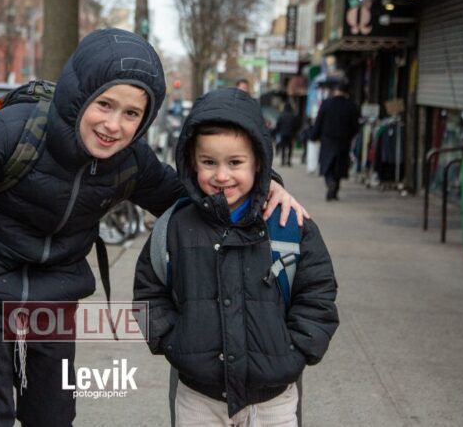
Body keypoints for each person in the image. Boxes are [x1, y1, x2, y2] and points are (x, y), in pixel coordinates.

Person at [0, 29, 308, 427]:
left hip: (53, 303)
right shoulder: (8, 134)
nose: (113, 125)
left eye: (131, 114)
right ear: (80, 95)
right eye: (104, 104)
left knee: (53, 418)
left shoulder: (130, 160)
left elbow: (191, 196)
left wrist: (264, 185)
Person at [134, 88, 338, 427]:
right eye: (209, 162)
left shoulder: (288, 224)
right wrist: (173, 341)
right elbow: (149, 291)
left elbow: (318, 294)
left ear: (259, 162)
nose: (221, 175)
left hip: (274, 398)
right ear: (191, 161)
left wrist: (296, 350)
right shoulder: (174, 227)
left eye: (235, 163)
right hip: (199, 396)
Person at [309, 80, 360, 201]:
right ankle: (335, 190)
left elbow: (319, 122)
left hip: (327, 140)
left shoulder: (326, 104)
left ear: (335, 91)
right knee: (339, 166)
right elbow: (355, 126)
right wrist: (349, 136)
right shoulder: (351, 106)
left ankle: (330, 183)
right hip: (343, 141)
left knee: (328, 165)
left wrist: (314, 136)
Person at [274, 102, 300, 167]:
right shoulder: (293, 116)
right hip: (291, 134)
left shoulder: (281, 116)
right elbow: (296, 126)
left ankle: (283, 161)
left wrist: (277, 132)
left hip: (283, 134)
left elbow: (278, 125)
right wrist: (295, 133)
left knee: (283, 148)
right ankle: (288, 161)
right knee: (290, 148)